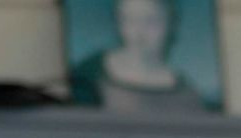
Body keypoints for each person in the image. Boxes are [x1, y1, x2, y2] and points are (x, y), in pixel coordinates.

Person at [68, 0, 214, 114]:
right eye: (129, 20)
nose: (139, 32)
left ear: (171, 24)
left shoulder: (187, 95)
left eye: (151, 21)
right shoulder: (88, 76)